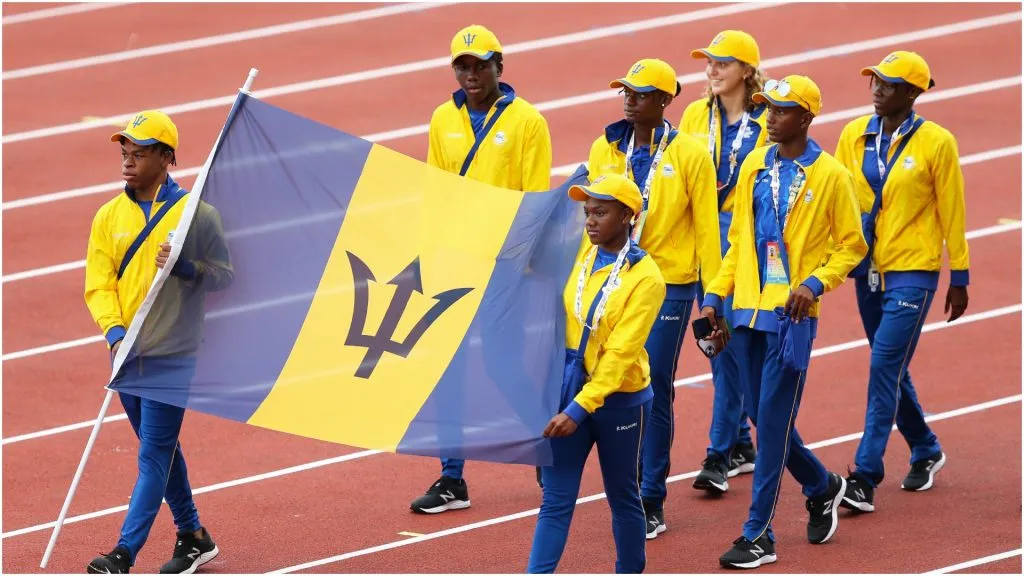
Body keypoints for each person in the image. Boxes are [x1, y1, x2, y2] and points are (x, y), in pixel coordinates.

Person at [698, 75, 868, 568]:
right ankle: (821, 485)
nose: (769, 116)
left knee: (771, 427)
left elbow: (852, 245)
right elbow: (738, 245)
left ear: (806, 117)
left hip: (790, 318)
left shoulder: (831, 175)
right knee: (762, 418)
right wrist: (714, 298)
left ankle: (759, 534)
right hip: (745, 311)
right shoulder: (754, 165)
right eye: (766, 107)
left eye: (780, 109)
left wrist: (814, 284)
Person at [410, 23, 553, 514]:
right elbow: (435, 190)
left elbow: (535, 201)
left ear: (499, 66)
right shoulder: (440, 119)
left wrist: (514, 263)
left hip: (502, 265)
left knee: (497, 361)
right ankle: (452, 478)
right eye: (462, 66)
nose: (471, 74)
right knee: (446, 368)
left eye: (480, 65)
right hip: (454, 261)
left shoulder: (527, 121)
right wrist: (430, 256)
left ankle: (544, 439)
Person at [85, 110, 233, 574]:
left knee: (152, 455)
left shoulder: (198, 215)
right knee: (164, 451)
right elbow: (99, 283)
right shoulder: (108, 216)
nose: (128, 160)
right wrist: (114, 332)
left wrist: (186, 265)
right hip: (128, 357)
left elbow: (225, 277)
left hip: (173, 353)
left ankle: (123, 554)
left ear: (167, 158)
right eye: (125, 151)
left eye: (141, 152)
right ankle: (193, 535)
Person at [586, 58, 720, 539]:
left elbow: (708, 229)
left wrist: (714, 297)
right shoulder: (606, 145)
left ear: (665, 101)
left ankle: (651, 496)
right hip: (613, 278)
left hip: (668, 283)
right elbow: (592, 215)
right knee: (610, 378)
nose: (628, 99)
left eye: (640, 93)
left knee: (655, 383)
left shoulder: (689, 154)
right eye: (625, 90)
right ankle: (623, 487)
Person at [833, 51, 967, 513]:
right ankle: (926, 447)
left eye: (887, 85)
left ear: (912, 93)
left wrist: (960, 274)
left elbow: (952, 209)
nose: (876, 90)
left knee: (882, 366)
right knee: (890, 367)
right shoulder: (853, 134)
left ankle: (865, 474)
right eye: (874, 81)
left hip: (914, 270)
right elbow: (838, 197)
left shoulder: (937, 142)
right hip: (866, 269)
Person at [527, 173, 665, 574]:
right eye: (587, 212)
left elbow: (621, 354)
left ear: (626, 216)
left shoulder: (647, 278)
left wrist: (579, 409)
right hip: (571, 394)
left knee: (622, 495)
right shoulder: (581, 257)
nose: (589, 221)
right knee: (555, 501)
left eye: (600, 213)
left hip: (619, 400)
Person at [680, 29, 769, 493]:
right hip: (701, 245)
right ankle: (741, 443)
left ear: (747, 71)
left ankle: (718, 454)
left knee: (727, 348)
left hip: (742, 248)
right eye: (709, 62)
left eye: (722, 63)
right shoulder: (696, 115)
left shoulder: (769, 118)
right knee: (718, 349)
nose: (712, 70)